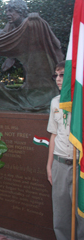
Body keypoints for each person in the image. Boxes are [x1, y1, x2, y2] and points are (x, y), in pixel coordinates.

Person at [46, 61, 84, 240]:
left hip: (80, 166)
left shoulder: (81, 104)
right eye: (56, 75)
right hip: (60, 164)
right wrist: (49, 166)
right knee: (61, 216)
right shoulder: (55, 102)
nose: (58, 79)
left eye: (62, 75)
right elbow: (53, 135)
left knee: (81, 216)